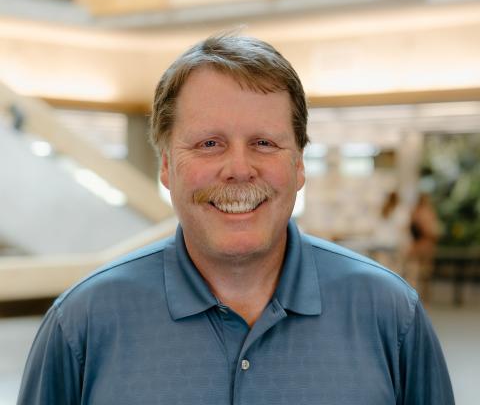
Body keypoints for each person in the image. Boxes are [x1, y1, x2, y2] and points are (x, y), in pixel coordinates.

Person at [18, 34, 454, 404]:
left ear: (299, 165)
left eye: (264, 142)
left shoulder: (391, 316)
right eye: (209, 144)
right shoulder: (81, 325)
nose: (239, 168)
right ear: (166, 167)